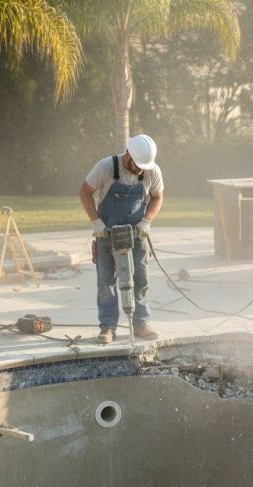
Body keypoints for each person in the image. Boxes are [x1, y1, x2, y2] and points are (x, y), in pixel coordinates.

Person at [78, 134, 163, 343]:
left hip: (137, 233)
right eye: (137, 165)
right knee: (106, 281)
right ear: (128, 156)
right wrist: (96, 222)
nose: (141, 170)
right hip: (106, 233)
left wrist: (147, 221)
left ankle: (141, 323)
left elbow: (158, 197)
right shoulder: (106, 167)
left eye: (144, 166)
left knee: (140, 278)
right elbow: (84, 192)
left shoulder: (152, 170)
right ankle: (107, 327)